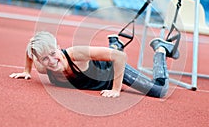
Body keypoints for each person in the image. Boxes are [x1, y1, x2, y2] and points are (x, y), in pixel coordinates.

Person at [9, 31, 177, 98]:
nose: (51, 61)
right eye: (44, 58)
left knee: (159, 91)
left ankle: (161, 49)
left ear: (58, 48)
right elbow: (30, 49)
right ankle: (114, 42)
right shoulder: (42, 67)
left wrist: (116, 89)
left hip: (113, 72)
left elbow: (119, 58)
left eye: (53, 54)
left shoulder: (76, 55)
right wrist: (27, 71)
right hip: (100, 75)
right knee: (112, 53)